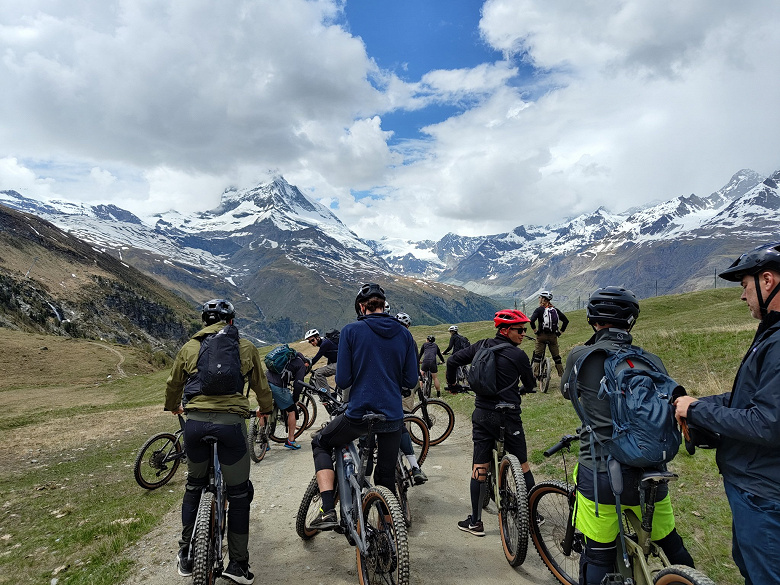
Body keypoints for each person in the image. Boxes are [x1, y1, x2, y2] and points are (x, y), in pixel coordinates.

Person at [561, 287, 694, 585]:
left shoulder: (581, 356)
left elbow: (567, 392)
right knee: (671, 545)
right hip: (652, 469)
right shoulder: (652, 360)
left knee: (598, 555)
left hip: (600, 472)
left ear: (593, 320)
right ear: (631, 321)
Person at [674, 242, 780, 585]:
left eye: (745, 285)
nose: (742, 295)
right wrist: (699, 403)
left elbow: (767, 424)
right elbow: (748, 398)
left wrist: (697, 410)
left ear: (767, 281)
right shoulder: (772, 334)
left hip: (764, 493)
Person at [164, 299, 272, 585]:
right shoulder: (245, 347)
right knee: (238, 494)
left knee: (193, 485)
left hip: (195, 425)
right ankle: (238, 565)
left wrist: (173, 407)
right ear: (231, 321)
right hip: (231, 426)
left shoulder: (189, 347)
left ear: (204, 322)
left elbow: (173, 383)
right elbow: (261, 386)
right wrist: (265, 409)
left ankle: (186, 554)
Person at [309, 283, 418, 529]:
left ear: (361, 307)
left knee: (321, 443)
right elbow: (411, 381)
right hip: (392, 416)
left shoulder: (351, 331)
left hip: (359, 414)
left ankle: (328, 509)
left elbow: (343, 380)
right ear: (384, 305)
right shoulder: (404, 334)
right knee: (385, 476)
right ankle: (388, 533)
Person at [445, 309, 536, 536]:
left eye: (524, 330)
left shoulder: (481, 346)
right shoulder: (518, 355)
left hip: (484, 415)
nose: (523, 334)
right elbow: (530, 384)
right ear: (505, 330)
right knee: (523, 465)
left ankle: (475, 522)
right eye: (519, 330)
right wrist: (524, 389)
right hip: (509, 416)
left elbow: (453, 360)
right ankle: (533, 515)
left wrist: (453, 385)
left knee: (480, 467)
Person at [396, 312, 427, 485]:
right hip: (403, 388)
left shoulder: (388, 338)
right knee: (403, 422)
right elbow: (414, 365)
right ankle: (413, 466)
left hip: (385, 387)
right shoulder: (409, 339)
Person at [264, 348, 309, 450]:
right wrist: (295, 399)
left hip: (265, 380)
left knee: (264, 409)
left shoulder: (289, 356)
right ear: (306, 364)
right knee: (292, 410)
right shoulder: (301, 365)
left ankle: (263, 441)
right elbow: (298, 385)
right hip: (277, 385)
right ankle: (290, 440)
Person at [529, 291, 569, 377]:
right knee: (556, 357)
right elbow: (566, 321)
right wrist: (560, 332)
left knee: (537, 356)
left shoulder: (539, 310)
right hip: (553, 337)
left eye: (540, 297)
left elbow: (532, 321)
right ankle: (562, 375)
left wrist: (535, 331)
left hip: (541, 336)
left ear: (543, 299)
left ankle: (535, 375)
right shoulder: (555, 310)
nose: (539, 299)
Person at [304, 328, 339, 393]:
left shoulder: (325, 344)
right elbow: (332, 355)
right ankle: (337, 393)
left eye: (312, 340)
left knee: (318, 373)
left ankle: (326, 395)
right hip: (341, 363)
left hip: (341, 364)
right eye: (310, 341)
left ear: (317, 337)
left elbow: (316, 358)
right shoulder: (326, 341)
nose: (312, 343)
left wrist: (307, 365)